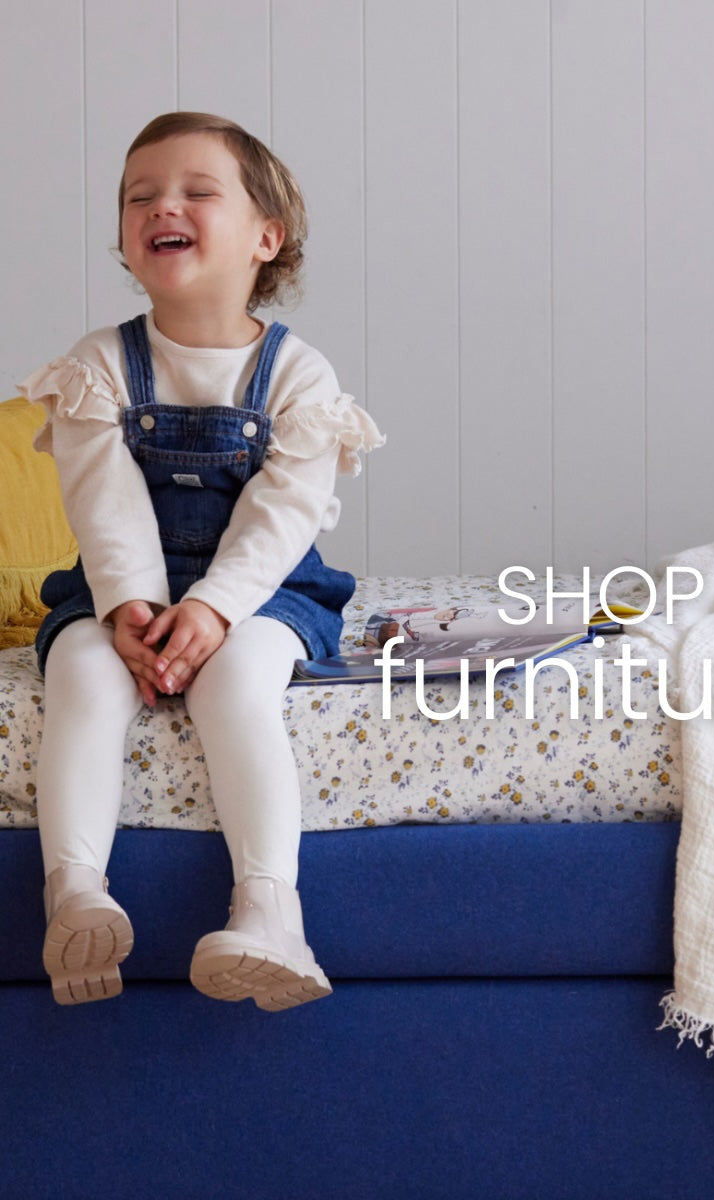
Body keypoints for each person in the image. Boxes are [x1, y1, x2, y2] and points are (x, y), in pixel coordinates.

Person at [18, 111, 383, 1010]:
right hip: (122, 590)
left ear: (268, 237)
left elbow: (281, 512)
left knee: (235, 684)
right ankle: (76, 890)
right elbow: (105, 503)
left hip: (260, 591)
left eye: (193, 192)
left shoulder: (298, 377)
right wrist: (132, 612)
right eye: (140, 197)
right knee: (84, 675)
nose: (160, 207)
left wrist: (217, 610)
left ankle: (269, 908)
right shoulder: (98, 367)